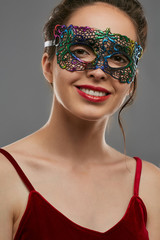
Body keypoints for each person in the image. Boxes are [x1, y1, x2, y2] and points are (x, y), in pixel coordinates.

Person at [0, 0, 160, 239]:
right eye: (81, 51)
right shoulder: (4, 176)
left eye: (118, 57)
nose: (98, 71)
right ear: (48, 65)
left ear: (131, 82)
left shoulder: (151, 185)